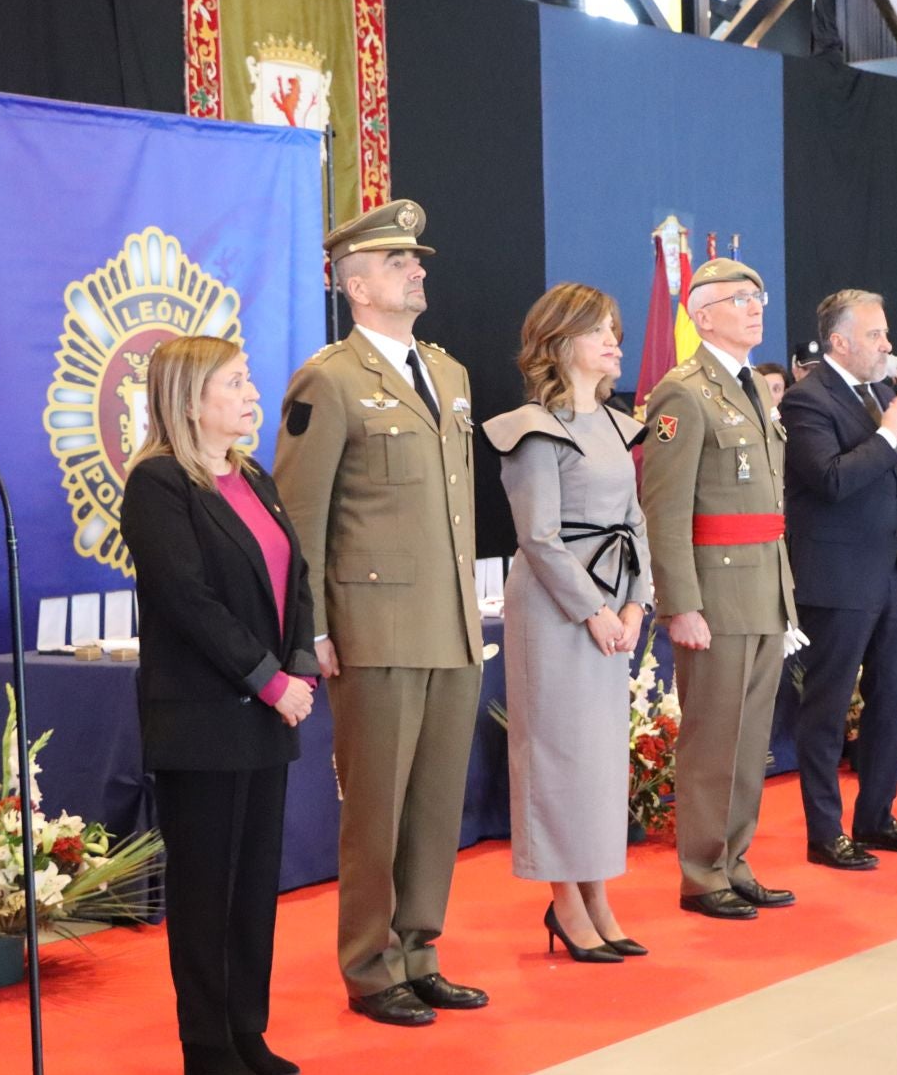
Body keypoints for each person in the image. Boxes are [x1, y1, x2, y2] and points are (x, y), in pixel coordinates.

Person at [275, 200, 491, 1026]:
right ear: (357, 283)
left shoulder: (450, 371)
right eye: (400, 262)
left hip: (451, 620)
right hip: (374, 626)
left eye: (416, 259)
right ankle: (370, 966)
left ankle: (421, 949)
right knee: (376, 809)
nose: (418, 270)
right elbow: (301, 517)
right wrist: (316, 629)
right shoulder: (328, 380)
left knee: (437, 802)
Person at [122, 335, 317, 1075]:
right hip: (205, 717)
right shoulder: (160, 485)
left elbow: (295, 578)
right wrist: (270, 680)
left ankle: (247, 1027)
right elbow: (189, 602)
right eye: (232, 381)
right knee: (207, 884)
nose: (249, 390)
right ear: (189, 399)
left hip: (269, 711)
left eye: (245, 377)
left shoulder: (254, 477)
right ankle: (206, 1042)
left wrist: (298, 663)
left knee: (253, 881)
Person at [482, 283, 651, 963]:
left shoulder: (616, 423)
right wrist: (595, 612)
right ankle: (564, 902)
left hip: (612, 608)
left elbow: (636, 521)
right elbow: (541, 538)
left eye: (615, 327)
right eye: (599, 329)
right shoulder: (532, 428)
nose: (615, 339)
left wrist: (637, 603)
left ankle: (597, 894)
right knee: (557, 757)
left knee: (600, 761)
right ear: (559, 342)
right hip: (557, 614)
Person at [640, 258, 800, 919]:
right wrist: (681, 603)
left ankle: (734, 858)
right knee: (712, 739)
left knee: (748, 736)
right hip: (717, 590)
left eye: (758, 296)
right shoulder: (684, 391)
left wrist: (784, 593)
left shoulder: (750, 386)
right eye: (740, 299)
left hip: (763, 586)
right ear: (704, 315)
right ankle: (703, 872)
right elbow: (666, 506)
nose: (756, 307)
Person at [783, 290, 897, 869]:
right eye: (876, 335)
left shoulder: (881, 394)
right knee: (827, 710)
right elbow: (830, 481)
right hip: (835, 580)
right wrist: (886, 433)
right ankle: (825, 831)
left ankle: (876, 816)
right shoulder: (806, 401)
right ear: (839, 341)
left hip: (890, 577)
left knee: (891, 701)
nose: (887, 345)